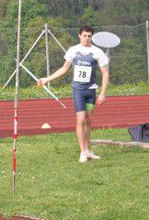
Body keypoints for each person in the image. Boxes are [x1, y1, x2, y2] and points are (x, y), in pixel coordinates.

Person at [37, 25, 110, 163]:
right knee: (81, 119)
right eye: (85, 35)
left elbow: (105, 73)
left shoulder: (97, 52)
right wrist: (47, 79)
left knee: (88, 120)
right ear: (79, 35)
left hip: (91, 91)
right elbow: (64, 68)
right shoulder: (73, 50)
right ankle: (82, 152)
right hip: (78, 91)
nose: (87, 38)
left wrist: (102, 93)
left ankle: (87, 150)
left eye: (89, 36)